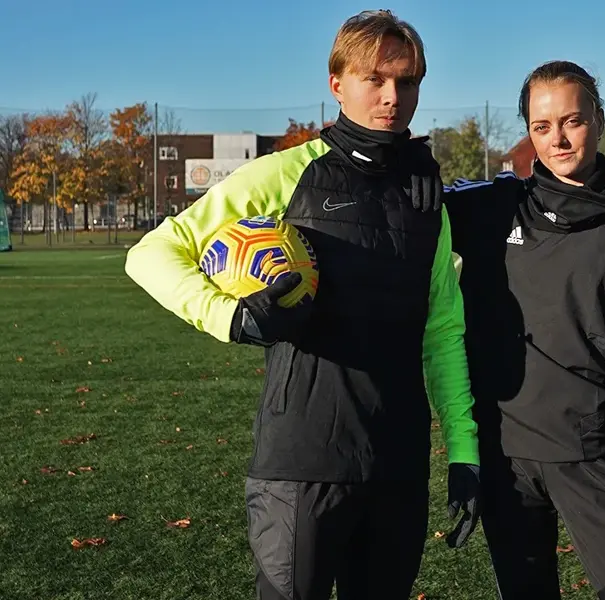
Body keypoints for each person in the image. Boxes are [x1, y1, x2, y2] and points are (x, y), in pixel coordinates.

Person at [124, 10, 481, 600]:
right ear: (337, 83)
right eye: (375, 79)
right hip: (301, 460)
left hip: (397, 463)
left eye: (407, 81)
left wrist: (463, 452)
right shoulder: (286, 174)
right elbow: (153, 252)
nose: (393, 96)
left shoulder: (426, 194)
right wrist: (230, 316)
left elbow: (442, 328)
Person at [442, 60, 605, 600]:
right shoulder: (492, 207)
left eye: (572, 122)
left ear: (598, 120)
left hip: (591, 454)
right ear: (528, 130)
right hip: (505, 458)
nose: (558, 139)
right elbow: (396, 205)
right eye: (541, 126)